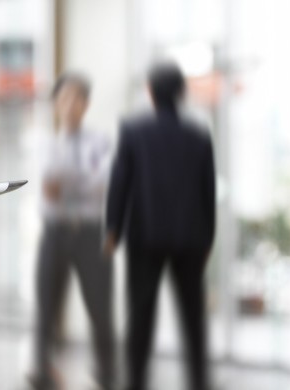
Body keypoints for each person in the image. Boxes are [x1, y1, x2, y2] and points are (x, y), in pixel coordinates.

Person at [104, 61, 216, 390]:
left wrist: (113, 229)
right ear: (181, 93)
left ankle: (135, 382)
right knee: (193, 319)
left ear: (151, 92)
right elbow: (207, 190)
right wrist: (208, 237)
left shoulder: (134, 131)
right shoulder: (198, 135)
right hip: (190, 239)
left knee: (141, 317)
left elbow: (120, 181)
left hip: (145, 238)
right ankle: (199, 381)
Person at [31, 73, 115, 390]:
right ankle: (42, 372)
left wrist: (67, 183)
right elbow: (47, 192)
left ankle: (108, 374)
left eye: (77, 98)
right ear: (55, 104)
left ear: (87, 104)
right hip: (54, 233)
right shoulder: (45, 144)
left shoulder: (99, 142)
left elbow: (101, 187)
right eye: (64, 98)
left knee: (100, 307)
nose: (70, 105)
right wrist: (81, 182)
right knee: (46, 307)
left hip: (91, 235)